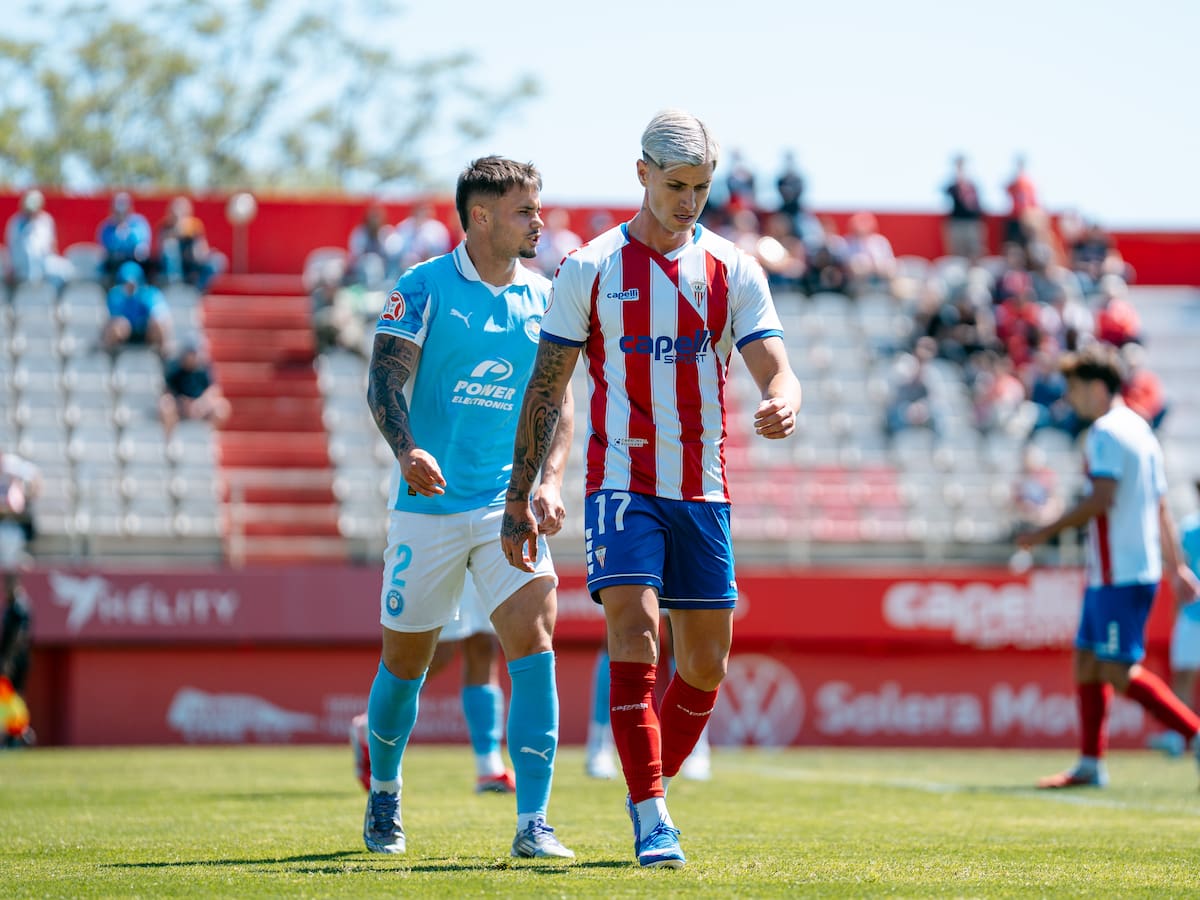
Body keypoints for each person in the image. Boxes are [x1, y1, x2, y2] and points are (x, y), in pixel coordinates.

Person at [500, 109, 802, 869]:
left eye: (701, 187)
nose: (689, 200)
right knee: (638, 639)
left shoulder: (733, 269)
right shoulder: (590, 267)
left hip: (703, 491)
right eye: (675, 185)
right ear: (641, 174)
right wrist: (525, 488)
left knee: (705, 665)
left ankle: (650, 778)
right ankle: (651, 815)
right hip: (621, 484)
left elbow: (773, 361)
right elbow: (547, 388)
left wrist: (786, 396)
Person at [361, 156, 575, 860]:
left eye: (538, 208)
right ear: (481, 216)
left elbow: (560, 406)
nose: (538, 220)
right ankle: (385, 792)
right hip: (426, 509)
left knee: (535, 642)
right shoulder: (421, 287)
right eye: (524, 210)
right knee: (405, 665)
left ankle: (533, 821)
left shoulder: (547, 298)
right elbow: (382, 383)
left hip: (505, 507)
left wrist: (548, 482)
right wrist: (408, 450)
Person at [1015, 343, 1200, 788]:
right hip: (1119, 573)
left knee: (1117, 671)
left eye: (1075, 388)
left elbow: (1102, 499)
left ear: (1098, 388)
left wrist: (1042, 532)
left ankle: (1194, 733)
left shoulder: (1104, 433)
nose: (1071, 397)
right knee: (1086, 662)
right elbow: (1160, 506)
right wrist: (1176, 568)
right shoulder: (1141, 431)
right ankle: (1090, 764)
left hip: (1121, 574)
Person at [351, 580, 516, 794]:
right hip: (451, 552)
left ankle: (489, 767)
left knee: (484, 644)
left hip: (487, 551)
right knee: (440, 649)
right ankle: (371, 724)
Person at [0, 446, 39, 749]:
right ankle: (16, 732)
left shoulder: (20, 608)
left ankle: (18, 732)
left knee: (10, 693)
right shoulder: (18, 607)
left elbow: (19, 637)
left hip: (13, 661)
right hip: (11, 661)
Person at [158, 337, 232, 435]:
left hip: (200, 408)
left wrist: (200, 403)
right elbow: (167, 390)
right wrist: (181, 402)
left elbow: (214, 390)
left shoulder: (204, 369)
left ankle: (208, 437)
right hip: (180, 408)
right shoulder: (174, 369)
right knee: (166, 404)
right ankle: (169, 441)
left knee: (222, 408)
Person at [4, 189, 70, 291]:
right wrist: (10, 267)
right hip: (21, 265)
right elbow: (11, 246)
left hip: (44, 263)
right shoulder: (16, 222)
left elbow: (51, 245)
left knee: (66, 270)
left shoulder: (46, 220)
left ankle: (54, 300)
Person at [102, 260, 172, 356]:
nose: (130, 286)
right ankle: (110, 357)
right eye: (126, 282)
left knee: (158, 323)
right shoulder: (115, 296)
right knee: (117, 325)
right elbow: (113, 320)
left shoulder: (149, 294)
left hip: (146, 333)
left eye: (133, 283)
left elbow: (160, 314)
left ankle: (162, 356)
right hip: (125, 334)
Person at [156, 196, 220, 292]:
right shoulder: (165, 226)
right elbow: (162, 247)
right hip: (174, 267)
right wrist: (177, 230)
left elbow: (202, 249)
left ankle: (197, 291)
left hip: (193, 262)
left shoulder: (194, 225)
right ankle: (175, 287)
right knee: (170, 249)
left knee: (217, 260)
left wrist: (204, 253)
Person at [96, 191, 153, 286]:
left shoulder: (139, 223)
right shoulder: (107, 227)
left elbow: (143, 244)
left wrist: (130, 235)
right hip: (115, 263)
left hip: (136, 261)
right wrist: (118, 237)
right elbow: (106, 248)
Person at [942, 154, 986, 262]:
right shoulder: (953, 186)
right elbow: (946, 191)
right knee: (957, 255)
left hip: (972, 223)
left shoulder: (973, 185)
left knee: (974, 252)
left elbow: (977, 205)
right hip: (957, 222)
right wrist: (958, 180)